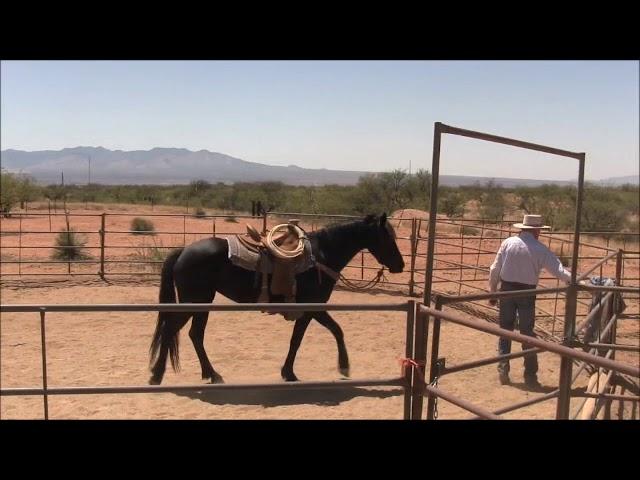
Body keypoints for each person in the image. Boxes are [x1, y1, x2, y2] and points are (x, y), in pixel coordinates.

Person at [488, 214, 572, 389]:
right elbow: (559, 271)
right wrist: (576, 281)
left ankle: (503, 368)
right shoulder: (540, 249)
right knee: (527, 333)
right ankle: (530, 374)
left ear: (523, 228)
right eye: (539, 230)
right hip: (527, 293)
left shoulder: (508, 243)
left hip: (507, 290)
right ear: (536, 230)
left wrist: (493, 292)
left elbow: (495, 268)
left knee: (505, 329)